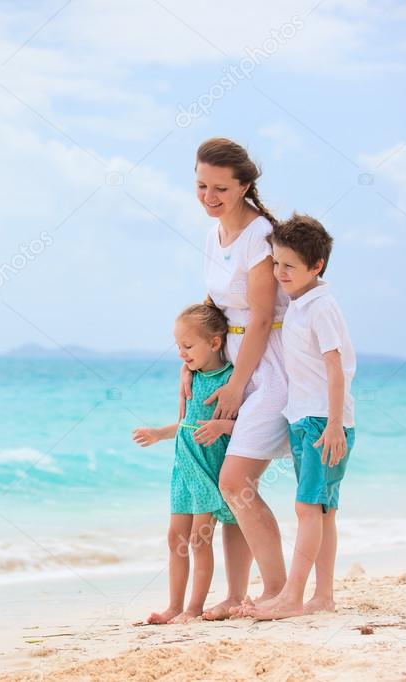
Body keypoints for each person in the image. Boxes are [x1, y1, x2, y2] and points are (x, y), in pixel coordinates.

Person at [186, 138, 291, 619]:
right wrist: (191, 366)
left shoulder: (261, 233)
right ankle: (235, 595)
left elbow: (264, 316)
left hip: (268, 367)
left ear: (245, 185)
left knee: (236, 481)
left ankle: (277, 591)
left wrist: (236, 385)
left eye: (221, 188)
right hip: (230, 362)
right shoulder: (214, 236)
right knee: (232, 488)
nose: (209, 195)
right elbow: (215, 310)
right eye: (202, 184)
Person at [248, 214, 356, 620]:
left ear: (316, 266)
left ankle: (293, 596)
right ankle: (322, 597)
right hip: (307, 418)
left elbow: (336, 366)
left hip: (320, 422)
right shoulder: (299, 303)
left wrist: (332, 424)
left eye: (289, 266)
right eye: (275, 264)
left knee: (307, 508)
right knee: (322, 510)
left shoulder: (320, 307)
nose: (279, 273)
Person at [133, 303, 238, 624]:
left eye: (188, 346)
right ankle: (174, 606)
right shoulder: (190, 377)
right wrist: (159, 434)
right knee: (175, 538)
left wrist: (222, 427)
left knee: (199, 539)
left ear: (215, 343)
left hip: (208, 468)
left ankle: (193, 608)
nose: (181, 353)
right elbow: (187, 424)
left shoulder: (230, 379)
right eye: (178, 346)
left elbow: (249, 426)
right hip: (183, 468)